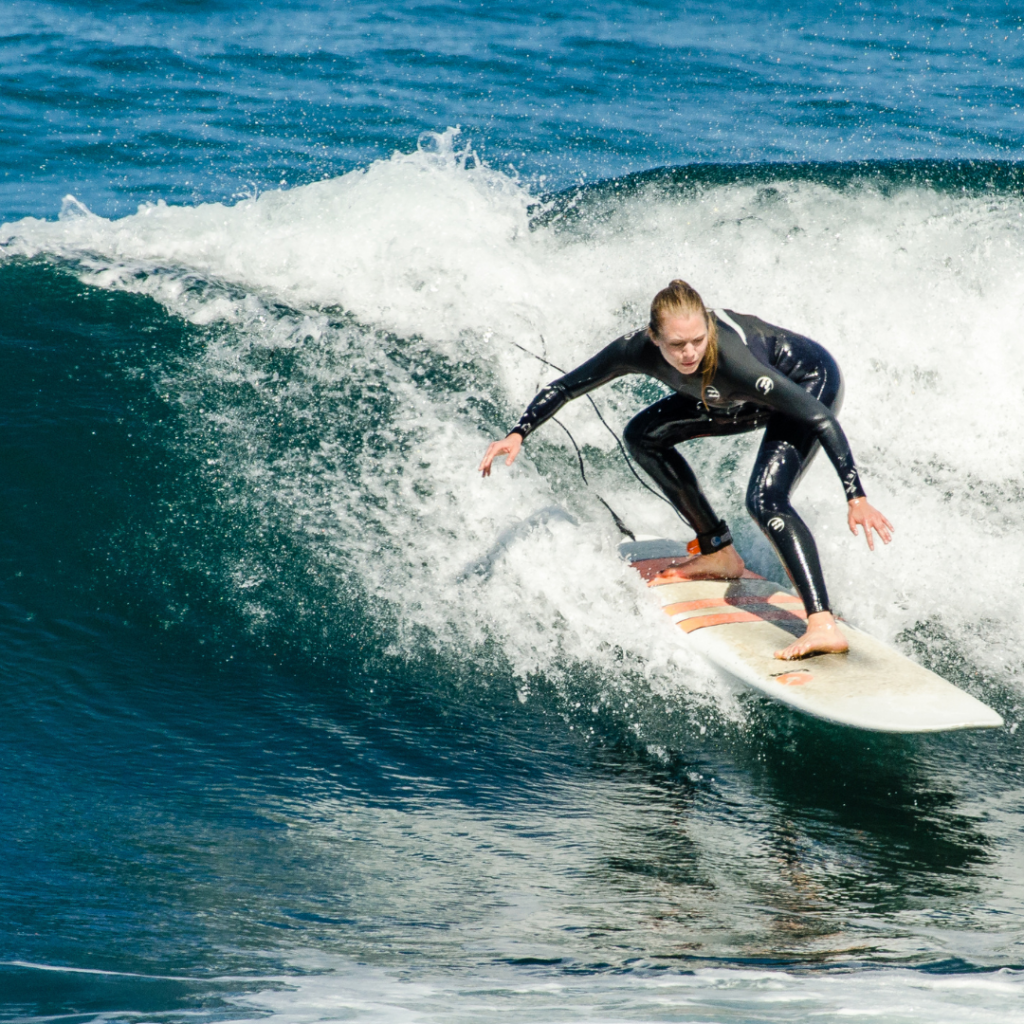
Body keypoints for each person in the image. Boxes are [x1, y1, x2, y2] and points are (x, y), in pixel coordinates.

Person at [478, 279, 893, 660]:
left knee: (765, 501)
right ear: (653, 337)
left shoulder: (732, 360)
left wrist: (856, 496)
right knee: (643, 435)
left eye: (697, 340)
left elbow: (820, 420)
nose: (690, 353)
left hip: (806, 385)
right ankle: (718, 552)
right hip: (733, 398)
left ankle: (822, 623)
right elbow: (566, 386)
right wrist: (518, 434)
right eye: (677, 345)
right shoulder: (633, 349)